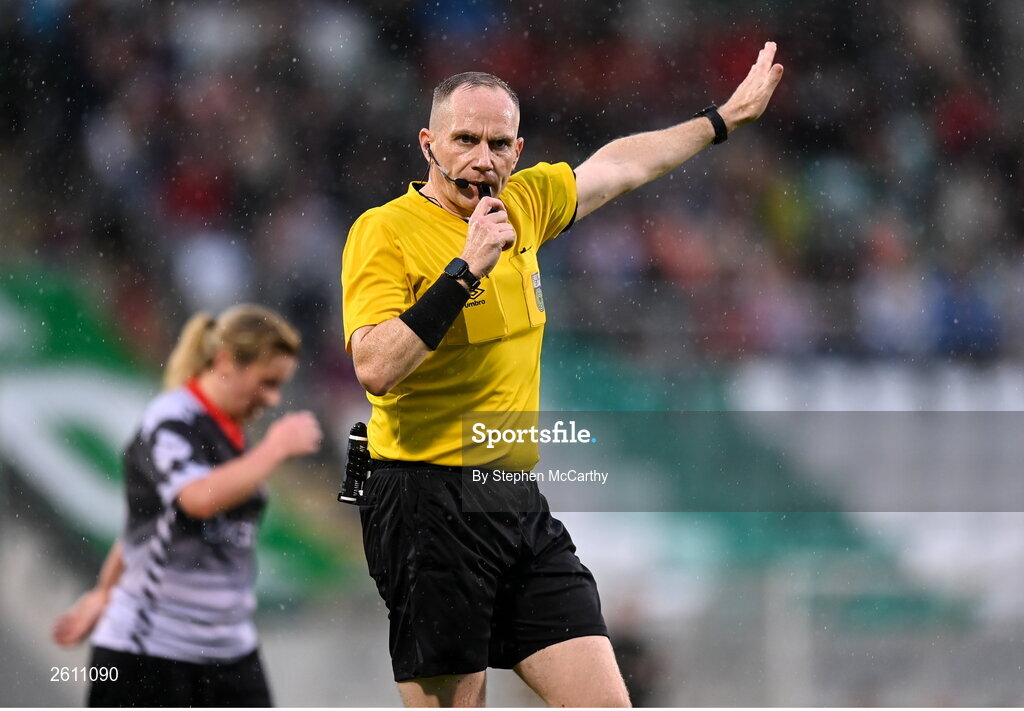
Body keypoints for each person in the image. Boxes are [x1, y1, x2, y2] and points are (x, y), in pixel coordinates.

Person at [341, 43, 784, 707]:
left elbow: (619, 166)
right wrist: (464, 272)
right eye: (465, 139)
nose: (481, 158)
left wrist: (719, 120)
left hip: (513, 498)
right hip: (424, 501)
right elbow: (374, 365)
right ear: (429, 144)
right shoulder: (385, 233)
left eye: (497, 143)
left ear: (517, 150)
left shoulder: (524, 205)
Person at [51, 304, 323, 707]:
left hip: (228, 649)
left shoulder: (230, 433)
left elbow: (140, 527)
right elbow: (195, 499)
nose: (273, 399)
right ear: (226, 361)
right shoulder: (171, 420)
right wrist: (275, 449)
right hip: (152, 648)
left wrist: (102, 593)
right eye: (267, 383)